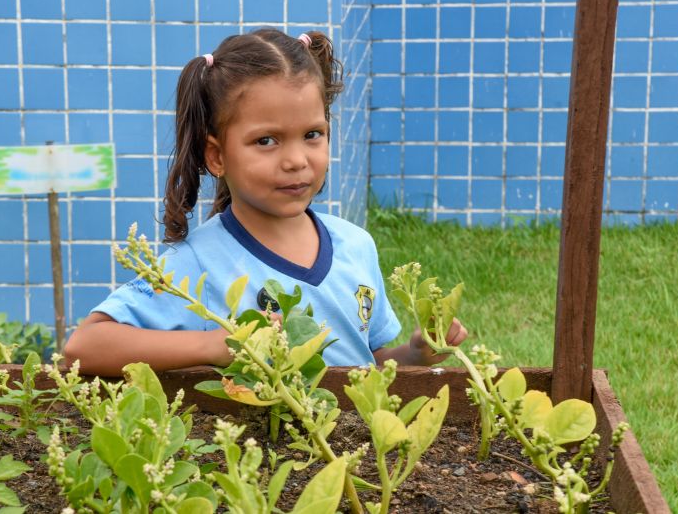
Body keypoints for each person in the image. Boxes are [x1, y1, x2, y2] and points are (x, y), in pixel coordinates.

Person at [64, 28, 467, 376]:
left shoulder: (356, 245)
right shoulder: (198, 263)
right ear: (217, 156)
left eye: (312, 134)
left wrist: (415, 353)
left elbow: (369, 364)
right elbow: (85, 346)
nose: (296, 160)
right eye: (266, 141)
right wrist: (218, 345)